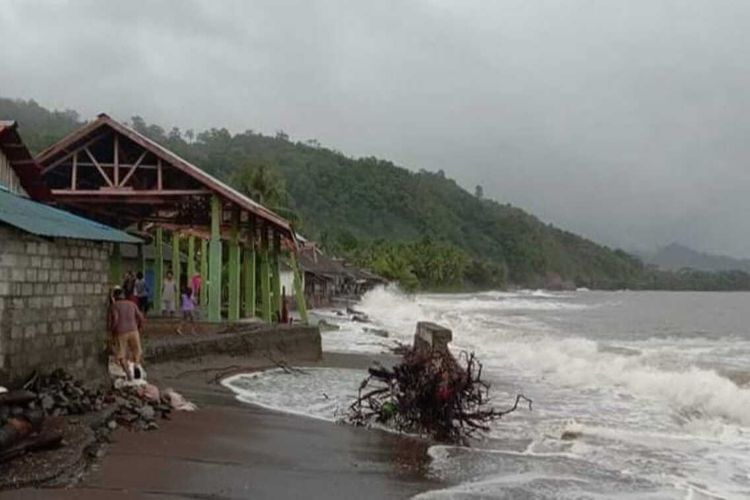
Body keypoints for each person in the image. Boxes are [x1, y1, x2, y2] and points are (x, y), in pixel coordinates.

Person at [110, 287, 145, 380]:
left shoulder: (115, 306)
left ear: (114, 297)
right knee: (137, 351)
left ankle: (128, 375)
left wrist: (112, 331)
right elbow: (140, 317)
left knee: (121, 354)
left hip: (121, 332)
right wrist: (139, 327)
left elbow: (116, 319)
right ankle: (136, 365)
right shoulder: (132, 304)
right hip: (134, 330)